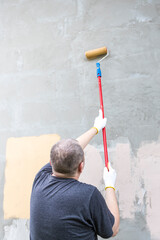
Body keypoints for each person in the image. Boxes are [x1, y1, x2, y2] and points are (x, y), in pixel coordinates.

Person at [30, 110, 120, 240]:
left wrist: (95, 128)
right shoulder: (88, 195)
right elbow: (112, 229)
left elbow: (67, 150)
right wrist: (110, 185)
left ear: (52, 162)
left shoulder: (40, 179)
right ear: (81, 166)